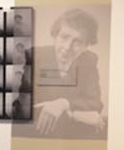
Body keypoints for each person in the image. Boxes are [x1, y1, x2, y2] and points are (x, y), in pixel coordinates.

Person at [32, 8, 105, 136]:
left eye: (77, 42)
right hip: (35, 131)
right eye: (64, 37)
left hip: (70, 133)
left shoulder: (89, 61)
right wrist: (74, 115)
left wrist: (63, 104)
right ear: (55, 36)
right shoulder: (35, 56)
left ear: (86, 46)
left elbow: (95, 104)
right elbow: (24, 108)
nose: (67, 47)